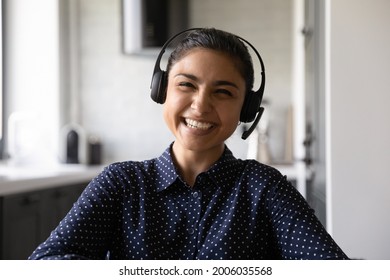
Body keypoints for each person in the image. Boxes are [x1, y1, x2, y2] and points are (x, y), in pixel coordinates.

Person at [29, 28, 348, 260]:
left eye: (223, 92)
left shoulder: (264, 188)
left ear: (246, 110)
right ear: (162, 90)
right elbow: (46, 264)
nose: (200, 106)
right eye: (186, 85)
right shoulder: (121, 184)